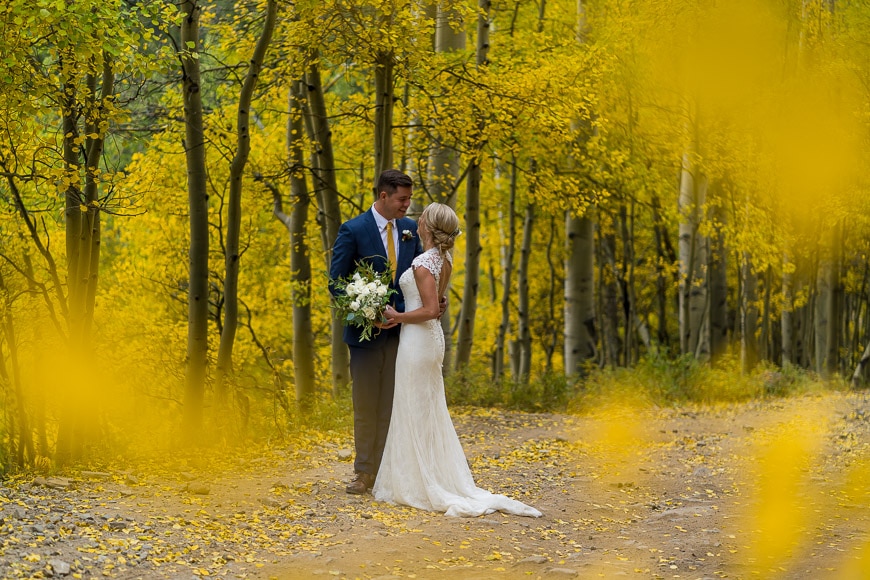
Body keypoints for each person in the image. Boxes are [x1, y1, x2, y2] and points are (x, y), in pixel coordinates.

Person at [373, 203, 542, 518]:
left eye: (423, 215)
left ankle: (420, 481)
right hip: (430, 339)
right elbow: (438, 304)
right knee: (425, 407)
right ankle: (422, 473)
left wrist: (396, 316)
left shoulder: (425, 262)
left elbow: (429, 310)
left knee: (414, 406)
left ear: (427, 225)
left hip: (418, 340)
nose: (418, 217)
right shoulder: (444, 259)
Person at [329, 169, 423, 495]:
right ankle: (363, 472)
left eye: (409, 199)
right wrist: (369, 312)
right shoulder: (353, 230)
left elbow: (420, 273)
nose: (407, 205)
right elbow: (336, 283)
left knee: (392, 405)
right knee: (366, 405)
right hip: (364, 337)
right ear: (384, 196)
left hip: (403, 335)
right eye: (402, 199)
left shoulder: (411, 230)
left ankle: (385, 471)